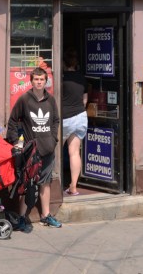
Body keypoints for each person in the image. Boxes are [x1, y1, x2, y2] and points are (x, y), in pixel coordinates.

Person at [6, 67, 62, 232]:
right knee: (25, 183)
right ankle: (22, 217)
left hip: (48, 149)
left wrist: (53, 140)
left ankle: (46, 215)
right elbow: (13, 121)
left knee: (45, 182)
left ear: (46, 81)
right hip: (30, 150)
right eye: (36, 79)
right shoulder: (25, 99)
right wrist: (16, 142)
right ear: (31, 81)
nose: (39, 82)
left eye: (42, 80)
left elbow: (56, 121)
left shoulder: (51, 100)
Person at [61, 48, 87, 196]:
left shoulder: (62, 78)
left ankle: (53, 185)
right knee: (74, 152)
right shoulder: (81, 77)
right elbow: (84, 100)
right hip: (80, 116)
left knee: (56, 152)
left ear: (63, 63)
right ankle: (73, 187)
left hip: (65, 118)